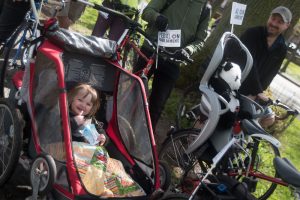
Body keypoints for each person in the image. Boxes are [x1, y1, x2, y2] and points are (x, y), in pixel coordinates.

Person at [134, 0, 211, 131]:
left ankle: (143, 142)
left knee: (157, 106)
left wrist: (189, 50)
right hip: (151, 49)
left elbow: (200, 40)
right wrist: (157, 18)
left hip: (173, 60)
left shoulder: (205, 8)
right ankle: (115, 127)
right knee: (133, 91)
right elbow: (147, 12)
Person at [239, 6, 292, 127]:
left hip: (253, 91)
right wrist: (257, 91)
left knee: (269, 118)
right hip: (234, 83)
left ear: (287, 26)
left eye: (279, 22)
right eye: (273, 18)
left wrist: (257, 93)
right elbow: (248, 63)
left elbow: (270, 75)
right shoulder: (252, 34)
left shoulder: (282, 48)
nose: (274, 23)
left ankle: (238, 140)